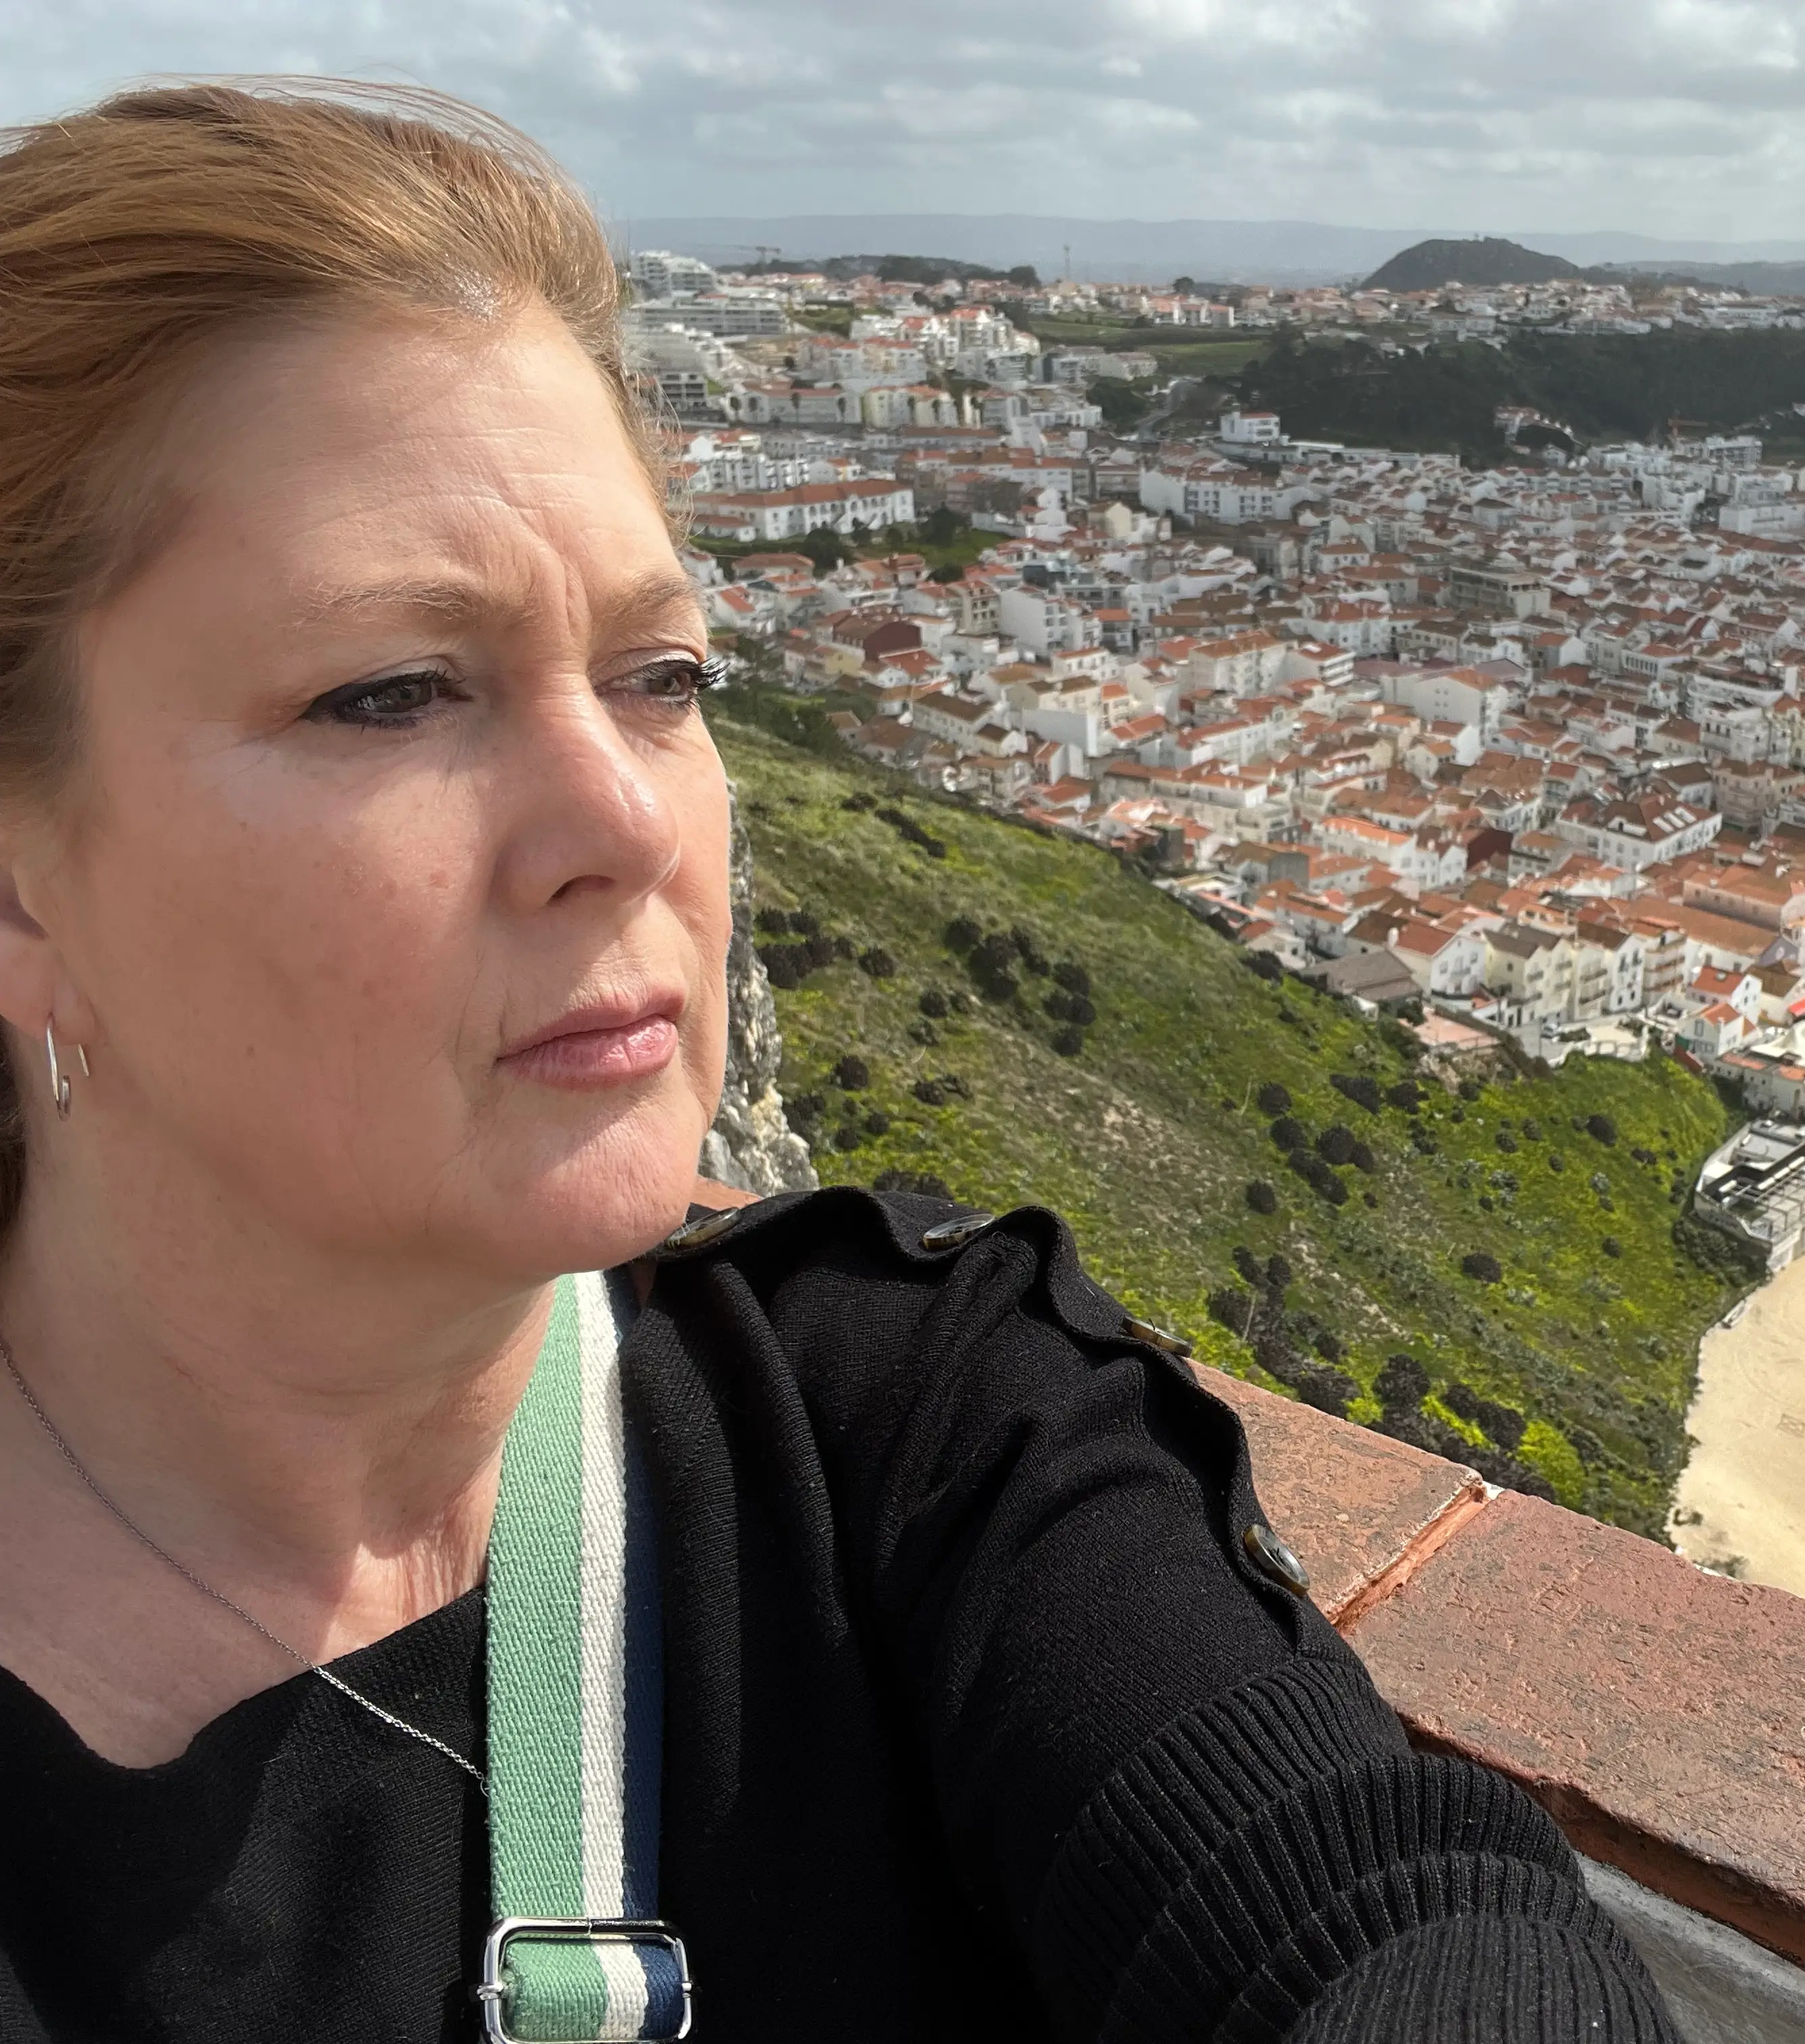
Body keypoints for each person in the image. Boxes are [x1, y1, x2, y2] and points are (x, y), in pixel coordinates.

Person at [0, 82, 1681, 2044]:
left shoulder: (917, 1436)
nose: (624, 819)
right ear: (26, 891)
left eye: (663, 676)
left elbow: (1388, 1902)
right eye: (390, 691)